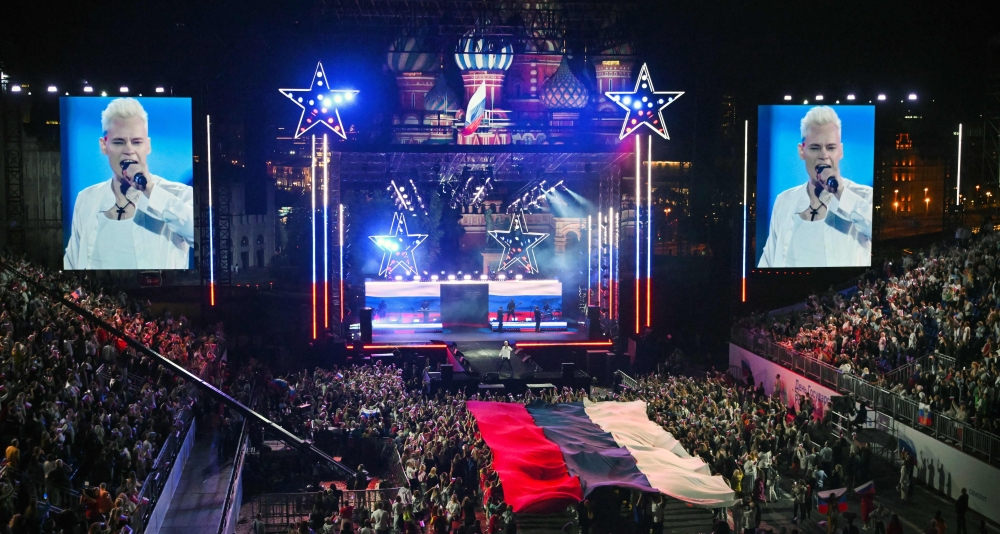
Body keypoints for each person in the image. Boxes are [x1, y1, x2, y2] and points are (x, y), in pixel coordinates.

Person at [64, 97, 194, 269]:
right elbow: (72, 262)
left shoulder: (179, 194)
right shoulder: (86, 199)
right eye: (119, 142)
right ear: (104, 146)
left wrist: (150, 189)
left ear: (148, 146)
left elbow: (199, 235)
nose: (129, 150)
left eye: (136, 142)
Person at [757, 106, 873, 268]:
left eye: (831, 148)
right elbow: (768, 260)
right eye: (815, 148)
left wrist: (840, 192)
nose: (823, 155)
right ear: (801, 151)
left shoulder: (865, 197)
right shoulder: (784, 201)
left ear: (841, 151)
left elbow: (874, 229)